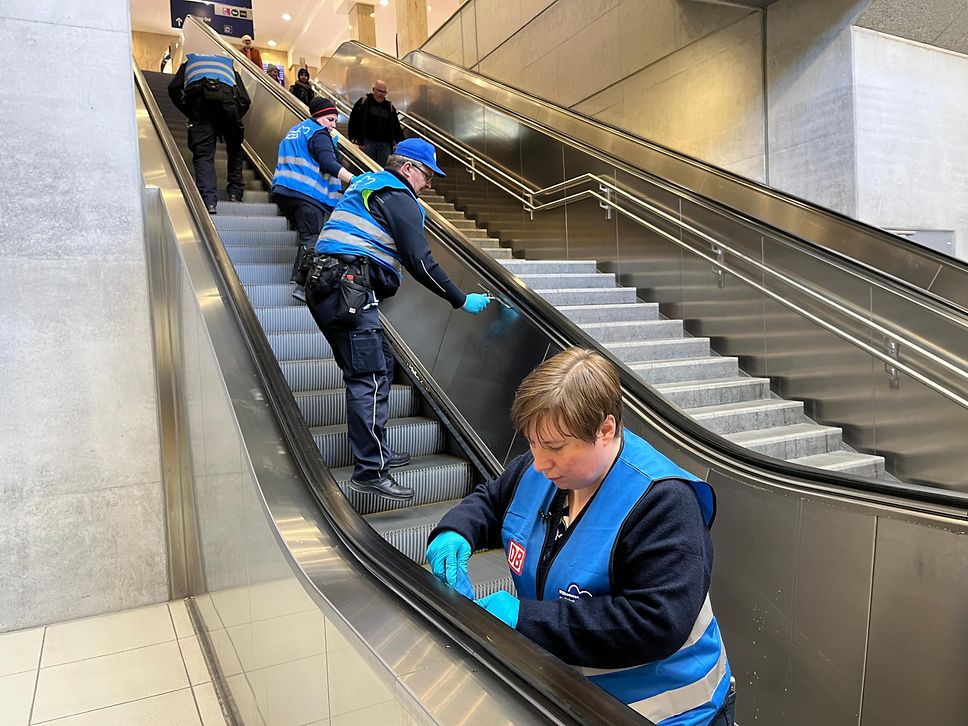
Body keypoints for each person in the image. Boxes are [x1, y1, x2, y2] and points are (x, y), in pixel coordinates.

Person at [426, 348, 735, 726]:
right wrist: (456, 530)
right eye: (532, 443)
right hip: (571, 700)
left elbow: (656, 621)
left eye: (555, 447)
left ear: (605, 430)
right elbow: (494, 501)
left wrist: (525, 619)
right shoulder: (538, 468)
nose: (539, 462)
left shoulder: (664, 504)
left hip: (667, 714)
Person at [305, 138, 491, 501]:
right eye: (427, 175)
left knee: (377, 367)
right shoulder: (398, 195)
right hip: (349, 290)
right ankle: (371, 471)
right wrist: (459, 298)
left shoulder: (367, 184)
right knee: (371, 376)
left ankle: (377, 453)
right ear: (407, 168)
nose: (429, 184)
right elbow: (420, 260)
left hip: (328, 285)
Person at [271, 97, 353, 301]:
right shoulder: (319, 132)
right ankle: (301, 286)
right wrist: (354, 179)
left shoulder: (296, 131)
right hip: (307, 193)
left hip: (285, 191)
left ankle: (295, 277)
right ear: (319, 117)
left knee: (306, 235)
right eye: (330, 119)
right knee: (312, 238)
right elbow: (326, 163)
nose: (333, 125)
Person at [168, 53, 251, 214]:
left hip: (200, 107)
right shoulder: (228, 67)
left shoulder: (188, 64)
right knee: (234, 149)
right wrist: (233, 119)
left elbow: (173, 88)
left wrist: (189, 111)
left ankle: (209, 202)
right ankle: (235, 193)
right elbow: (245, 100)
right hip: (229, 104)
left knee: (203, 154)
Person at [347, 79, 404, 168]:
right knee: (365, 166)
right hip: (366, 141)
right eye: (379, 91)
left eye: (384, 92)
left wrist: (401, 142)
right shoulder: (364, 102)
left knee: (382, 168)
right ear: (373, 89)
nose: (381, 94)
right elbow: (353, 120)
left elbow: (396, 126)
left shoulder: (389, 107)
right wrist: (352, 136)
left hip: (384, 143)